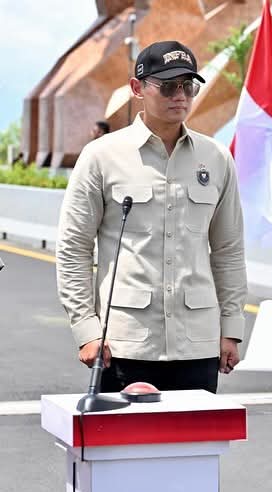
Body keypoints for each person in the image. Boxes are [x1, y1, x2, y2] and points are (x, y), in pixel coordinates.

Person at [56, 40, 248, 394]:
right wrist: (86, 330)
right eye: (169, 86)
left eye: (188, 86)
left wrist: (231, 329)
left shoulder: (217, 158)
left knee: (197, 434)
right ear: (137, 88)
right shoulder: (101, 156)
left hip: (198, 345)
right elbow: (73, 249)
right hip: (124, 345)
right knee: (124, 433)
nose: (181, 96)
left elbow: (228, 250)